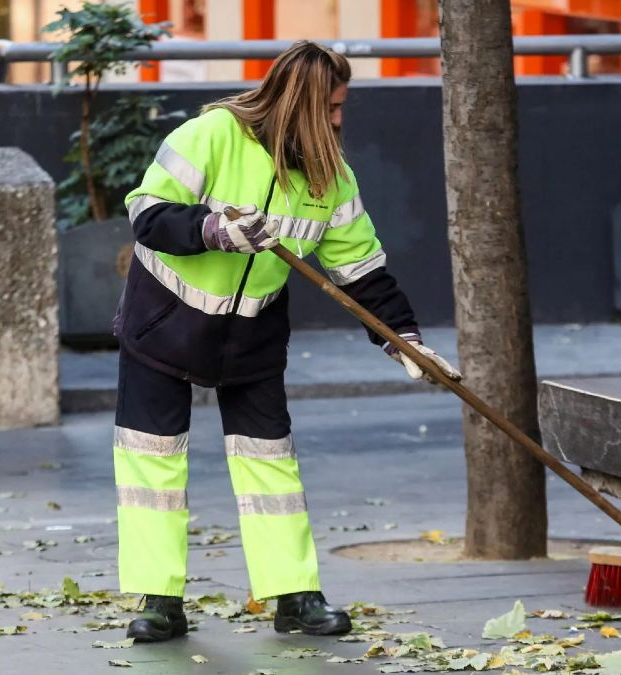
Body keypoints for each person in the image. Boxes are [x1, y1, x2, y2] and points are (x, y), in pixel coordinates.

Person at [113, 40, 461, 642]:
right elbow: (147, 212)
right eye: (332, 106)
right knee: (152, 464)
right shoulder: (212, 135)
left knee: (270, 464)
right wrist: (212, 228)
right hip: (162, 325)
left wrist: (403, 338)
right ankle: (159, 600)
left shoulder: (331, 178)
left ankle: (295, 597)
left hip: (250, 338)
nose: (339, 119)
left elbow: (362, 271)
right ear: (300, 103)